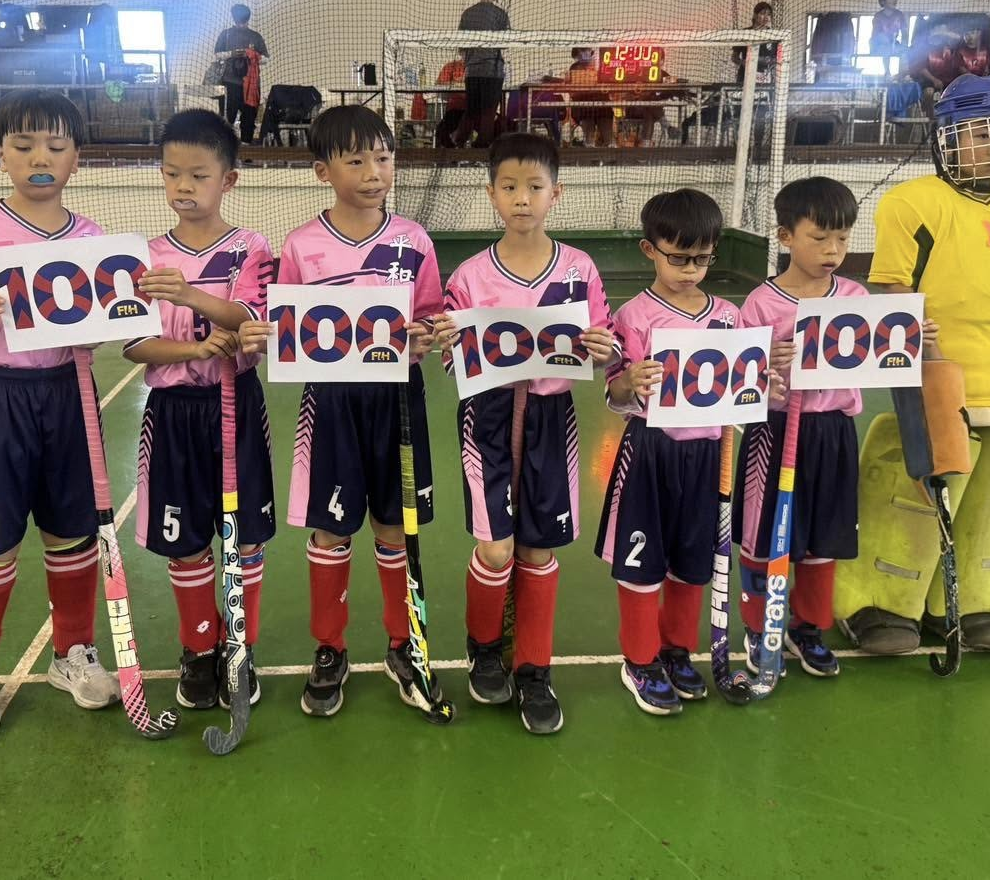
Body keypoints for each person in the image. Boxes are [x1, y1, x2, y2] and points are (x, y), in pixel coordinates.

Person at [834, 73, 990, 653]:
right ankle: (879, 602)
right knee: (916, 497)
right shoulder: (912, 203)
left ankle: (978, 603)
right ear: (947, 140)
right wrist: (924, 363)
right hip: (943, 385)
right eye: (981, 135)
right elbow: (894, 289)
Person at [0, 90, 121, 737]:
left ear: (76, 159)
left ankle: (73, 654)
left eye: (56, 147)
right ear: (1, 155)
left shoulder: (90, 239)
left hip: (67, 393)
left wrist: (109, 320)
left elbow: (102, 326)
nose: (40, 158)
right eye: (24, 145)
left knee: (72, 533)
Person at [238, 105, 441, 717]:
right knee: (331, 530)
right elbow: (288, 328)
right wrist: (265, 335)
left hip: (397, 399)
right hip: (330, 403)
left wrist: (428, 336)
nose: (374, 172)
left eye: (383, 157)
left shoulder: (414, 240)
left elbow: (430, 316)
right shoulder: (301, 246)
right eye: (356, 160)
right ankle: (330, 648)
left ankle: (405, 645)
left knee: (395, 526)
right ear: (323, 171)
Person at [431, 133, 619, 734]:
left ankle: (535, 669)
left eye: (534, 187)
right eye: (509, 187)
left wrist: (603, 348)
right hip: (486, 417)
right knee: (496, 549)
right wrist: (446, 341)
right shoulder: (470, 275)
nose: (521, 198)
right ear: (491, 193)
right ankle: (485, 647)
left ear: (555, 194)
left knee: (538, 549)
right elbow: (452, 356)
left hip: (550, 419)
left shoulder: (579, 269)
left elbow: (607, 343)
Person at [124, 109, 277, 712]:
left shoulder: (251, 248)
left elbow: (253, 319)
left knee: (244, 538)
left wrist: (190, 296)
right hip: (173, 411)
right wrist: (192, 348)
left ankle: (241, 646)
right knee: (184, 539)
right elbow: (134, 345)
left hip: (237, 404)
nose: (183, 186)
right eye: (171, 174)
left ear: (228, 180)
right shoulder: (143, 257)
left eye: (198, 174)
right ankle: (199, 647)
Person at [735, 178, 910, 679]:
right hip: (773, 433)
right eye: (819, 238)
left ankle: (807, 627)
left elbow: (883, 353)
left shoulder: (854, 296)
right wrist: (766, 363)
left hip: (833, 433)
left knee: (822, 537)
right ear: (785, 236)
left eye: (842, 238)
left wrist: (916, 337)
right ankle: (759, 626)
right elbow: (741, 379)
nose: (833, 250)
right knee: (764, 536)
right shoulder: (760, 303)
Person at [595, 188, 740, 714]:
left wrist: (768, 374)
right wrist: (629, 380)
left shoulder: (730, 317)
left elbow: (746, 387)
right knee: (641, 561)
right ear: (649, 250)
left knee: (693, 561)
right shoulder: (633, 317)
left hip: (709, 456)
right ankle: (639, 659)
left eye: (702, 258)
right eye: (679, 258)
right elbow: (613, 391)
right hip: (650, 452)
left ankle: (677, 651)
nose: (690, 270)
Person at [457, 0, 510, 147]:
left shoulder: (467, 14)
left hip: (472, 70)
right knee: (488, 112)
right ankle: (482, 145)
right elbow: (506, 43)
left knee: (471, 109)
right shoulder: (501, 14)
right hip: (492, 70)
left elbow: (460, 45)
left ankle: (458, 142)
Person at [213, 4, 269, 146]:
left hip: (251, 85)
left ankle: (246, 148)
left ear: (247, 19)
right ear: (234, 18)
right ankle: (226, 147)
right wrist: (232, 53)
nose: (241, 23)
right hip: (229, 83)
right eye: (239, 20)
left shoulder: (255, 36)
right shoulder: (226, 34)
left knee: (249, 118)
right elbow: (217, 54)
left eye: (243, 20)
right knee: (227, 118)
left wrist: (251, 55)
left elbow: (266, 59)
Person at [732, 1, 776, 85]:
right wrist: (742, 62)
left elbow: (777, 58)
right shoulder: (745, 33)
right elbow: (734, 57)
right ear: (755, 15)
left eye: (769, 14)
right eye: (762, 13)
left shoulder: (774, 35)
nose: (766, 17)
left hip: (765, 77)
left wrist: (765, 60)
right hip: (745, 76)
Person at [870, 0, 908, 72]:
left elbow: (904, 32)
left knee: (908, 51)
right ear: (883, 1)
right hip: (880, 43)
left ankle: (904, 73)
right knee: (884, 41)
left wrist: (904, 45)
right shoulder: (878, 15)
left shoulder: (899, 14)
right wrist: (872, 47)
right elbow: (875, 34)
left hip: (893, 42)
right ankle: (887, 72)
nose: (895, 0)